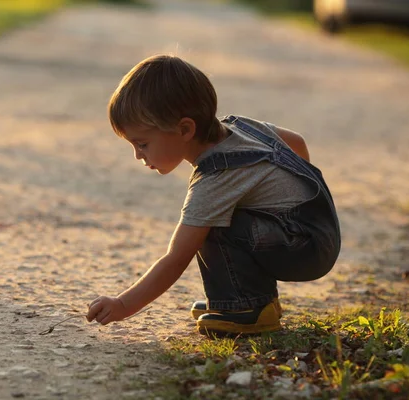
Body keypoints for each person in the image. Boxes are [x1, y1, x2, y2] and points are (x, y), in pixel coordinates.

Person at [86, 54, 341, 336]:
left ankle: (246, 308)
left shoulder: (216, 178)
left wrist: (123, 304)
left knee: (208, 226)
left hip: (304, 250)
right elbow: (296, 142)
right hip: (317, 232)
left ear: (184, 129)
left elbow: (176, 257)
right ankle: (244, 299)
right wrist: (292, 198)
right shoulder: (240, 127)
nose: (137, 155)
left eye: (142, 144)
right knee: (227, 218)